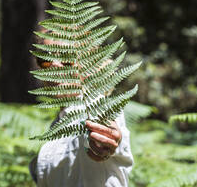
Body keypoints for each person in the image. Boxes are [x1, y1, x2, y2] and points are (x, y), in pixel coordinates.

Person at [29, 34, 134, 187]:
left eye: (67, 58)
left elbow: (107, 133)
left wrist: (105, 141)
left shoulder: (95, 106)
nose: (55, 65)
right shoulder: (58, 124)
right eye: (45, 60)